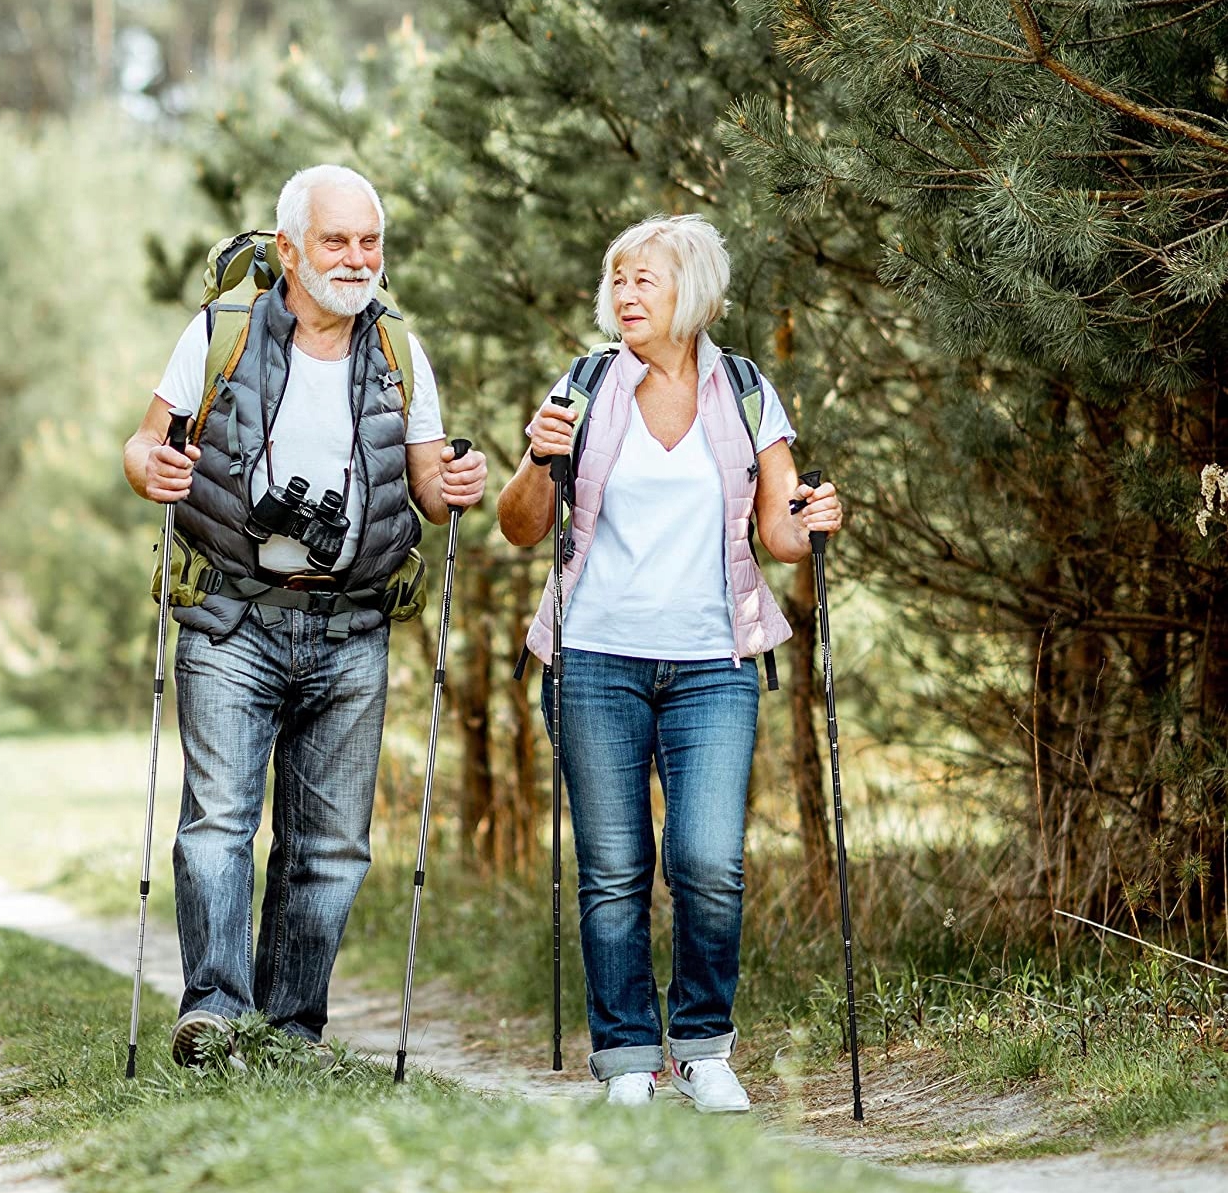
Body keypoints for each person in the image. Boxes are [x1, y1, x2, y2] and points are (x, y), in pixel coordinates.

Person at [124, 164, 487, 1066]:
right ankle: (214, 1014)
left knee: (328, 846)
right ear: (289, 248)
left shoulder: (400, 350)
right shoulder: (221, 332)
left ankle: (290, 1032)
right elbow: (145, 442)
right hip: (229, 619)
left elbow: (431, 487)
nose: (358, 258)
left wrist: (460, 483)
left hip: (353, 626)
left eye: (370, 241)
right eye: (337, 240)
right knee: (219, 825)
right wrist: (150, 469)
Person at [497, 214, 842, 1111]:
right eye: (617, 282)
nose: (625, 296)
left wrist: (814, 521)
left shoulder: (746, 390)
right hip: (596, 660)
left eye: (643, 280)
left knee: (707, 859)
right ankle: (624, 1059)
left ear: (691, 290)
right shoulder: (581, 386)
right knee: (612, 870)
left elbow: (779, 535)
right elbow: (520, 524)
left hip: (711, 664)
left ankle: (701, 1047)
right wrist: (540, 458)